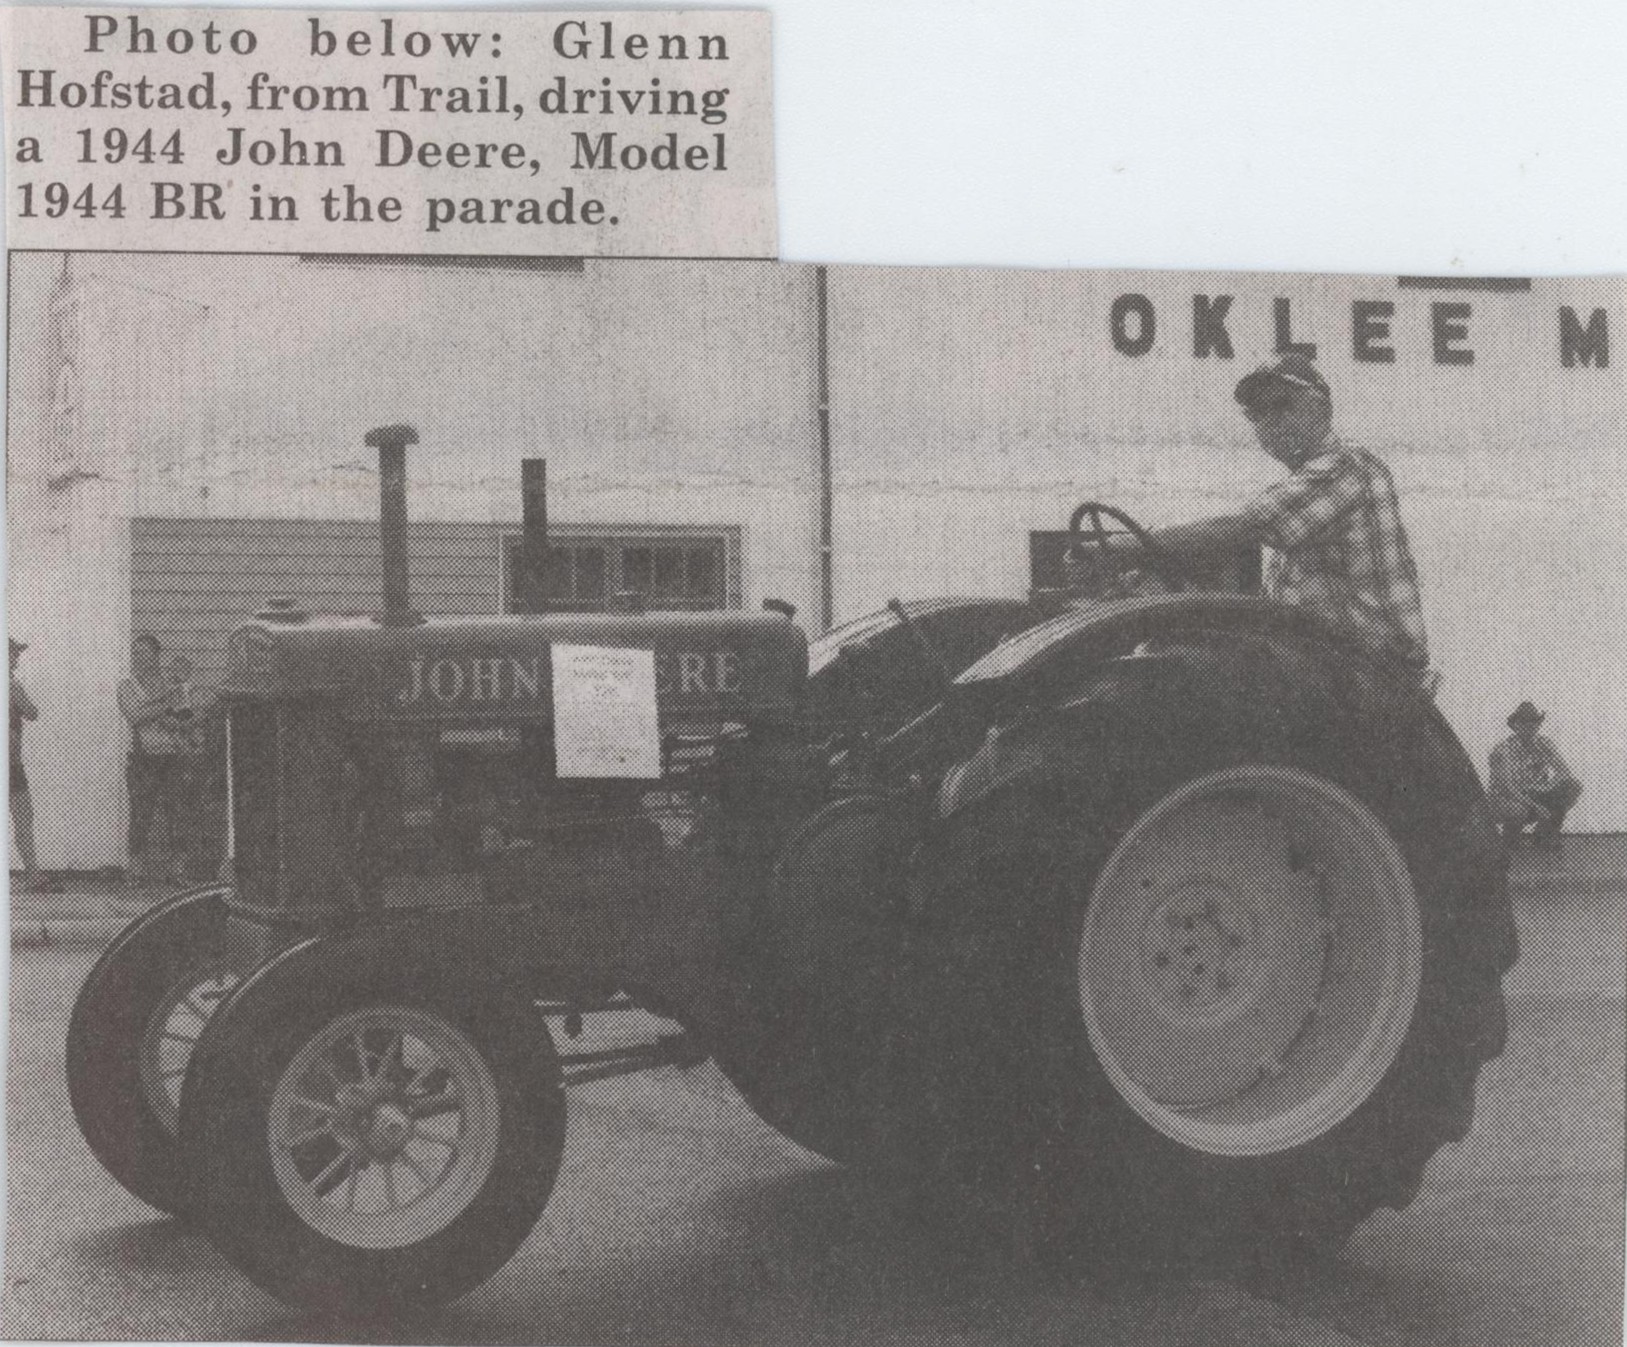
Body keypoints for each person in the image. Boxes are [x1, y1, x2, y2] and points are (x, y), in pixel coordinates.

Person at [1148, 354, 1433, 685]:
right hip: (1339, 664)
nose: (1269, 420)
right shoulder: (1310, 485)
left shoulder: (1344, 467)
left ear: (1320, 409)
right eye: (1257, 414)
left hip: (1367, 675)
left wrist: (1123, 547)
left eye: (1282, 404)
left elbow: (1245, 527)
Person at [117, 633, 188, 885]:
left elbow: (181, 721)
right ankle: (135, 871)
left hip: (172, 757)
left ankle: (177, 871)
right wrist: (164, 706)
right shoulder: (126, 686)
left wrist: (166, 712)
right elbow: (134, 717)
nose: (138, 658)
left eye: (144, 653)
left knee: (178, 814)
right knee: (140, 815)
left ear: (157, 656)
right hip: (143, 759)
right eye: (135, 653)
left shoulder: (170, 684)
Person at [1489, 701, 1582, 850]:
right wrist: (1535, 805)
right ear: (1516, 726)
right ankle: (1510, 836)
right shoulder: (1503, 749)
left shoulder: (1545, 744)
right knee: (1518, 811)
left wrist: (1545, 788)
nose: (1530, 727)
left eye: (1533, 722)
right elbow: (1506, 788)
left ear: (1538, 724)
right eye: (1524, 723)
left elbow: (1564, 771)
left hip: (1534, 793)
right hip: (1507, 798)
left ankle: (1544, 835)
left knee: (1572, 786)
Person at [10, 638, 60, 894]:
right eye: (12, 653)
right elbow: (32, 711)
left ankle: (33, 874)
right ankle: (32, 874)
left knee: (24, 816)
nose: (16, 658)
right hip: (9, 763)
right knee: (23, 817)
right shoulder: (10, 684)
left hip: (12, 762)